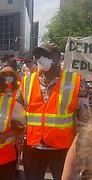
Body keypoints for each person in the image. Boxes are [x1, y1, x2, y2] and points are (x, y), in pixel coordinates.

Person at [20, 43, 90, 180]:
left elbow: (84, 119)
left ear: (59, 59)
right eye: (39, 55)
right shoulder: (26, 81)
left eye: (46, 55)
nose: (41, 58)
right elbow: (20, 111)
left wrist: (81, 150)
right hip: (34, 147)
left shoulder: (76, 82)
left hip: (62, 148)